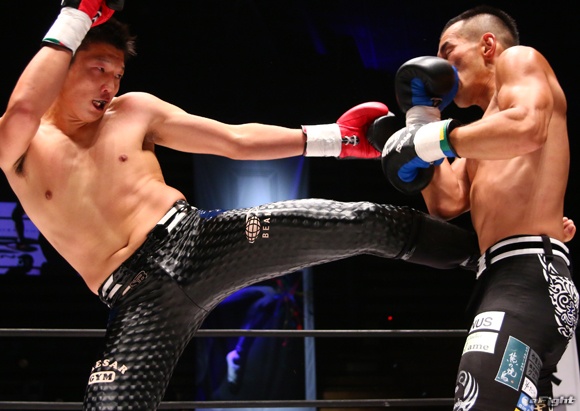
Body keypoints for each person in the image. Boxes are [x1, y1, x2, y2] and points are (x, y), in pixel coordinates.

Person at [0, 1, 483, 409]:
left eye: (117, 73)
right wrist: (73, 17)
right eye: (98, 69)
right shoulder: (23, 147)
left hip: (200, 240)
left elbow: (234, 140)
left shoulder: (133, 110)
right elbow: (22, 108)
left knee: (360, 221)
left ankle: (484, 258)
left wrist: (333, 139)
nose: (110, 85)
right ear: (63, 66)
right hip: (137, 300)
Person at [380, 5, 578, 410]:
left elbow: (527, 127)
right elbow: (446, 202)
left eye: (448, 51)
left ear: (487, 45)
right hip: (501, 280)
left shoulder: (520, 60)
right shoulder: (481, 133)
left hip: (528, 276)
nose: (442, 67)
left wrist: (435, 139)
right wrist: (420, 120)